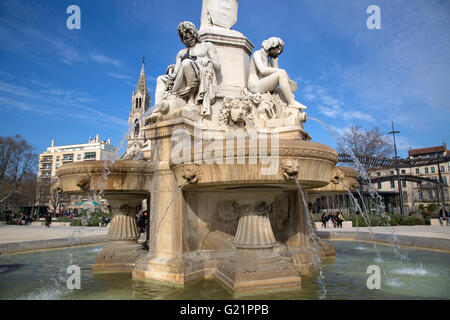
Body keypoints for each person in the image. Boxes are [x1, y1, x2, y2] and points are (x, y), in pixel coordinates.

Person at [247, 37, 307, 112]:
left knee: (282, 92)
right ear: (271, 46)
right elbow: (262, 70)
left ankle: (288, 109)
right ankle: (292, 103)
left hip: (261, 85)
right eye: (276, 50)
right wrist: (282, 71)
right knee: (282, 73)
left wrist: (275, 62)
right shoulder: (257, 54)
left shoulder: (268, 61)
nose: (277, 53)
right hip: (254, 86)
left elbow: (277, 79)